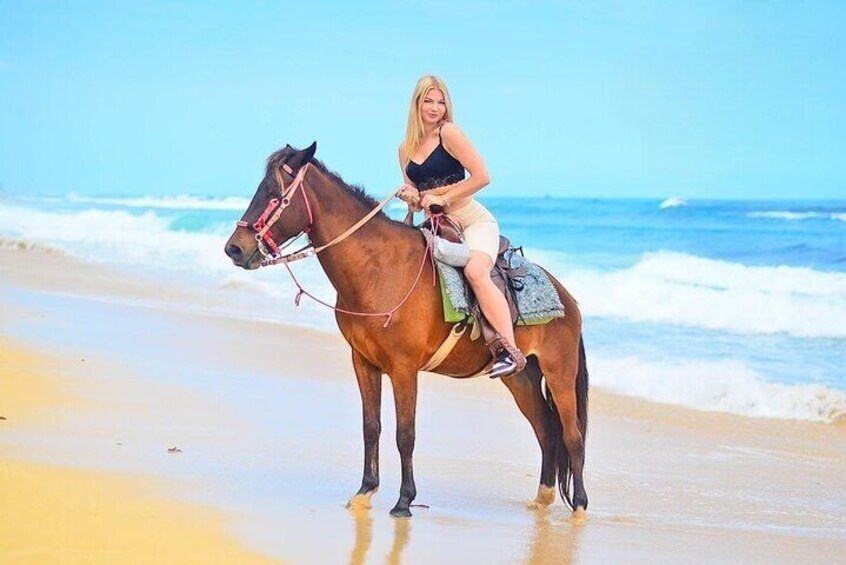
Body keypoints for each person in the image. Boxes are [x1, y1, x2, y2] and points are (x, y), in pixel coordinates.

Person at [397, 75, 526, 379]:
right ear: (417, 103)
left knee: (476, 272)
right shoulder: (405, 150)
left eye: (441, 102)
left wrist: (442, 197)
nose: (434, 108)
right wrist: (411, 198)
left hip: (471, 219)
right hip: (437, 226)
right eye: (428, 101)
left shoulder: (449, 133)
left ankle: (510, 351)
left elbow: (482, 177)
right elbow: (417, 201)